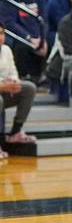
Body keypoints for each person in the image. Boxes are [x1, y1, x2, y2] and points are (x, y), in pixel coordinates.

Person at [1, 0, 48, 83]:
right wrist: (28, 38)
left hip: (35, 34)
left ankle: (43, 76)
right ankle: (23, 76)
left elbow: (43, 19)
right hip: (18, 34)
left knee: (51, 41)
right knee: (19, 44)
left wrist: (42, 39)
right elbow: (9, 22)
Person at [0, 21, 37, 156]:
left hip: (6, 90)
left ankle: (15, 132)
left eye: (2, 33)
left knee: (29, 88)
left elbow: (13, 71)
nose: (0, 37)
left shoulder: (6, 50)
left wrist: (13, 81)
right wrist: (3, 85)